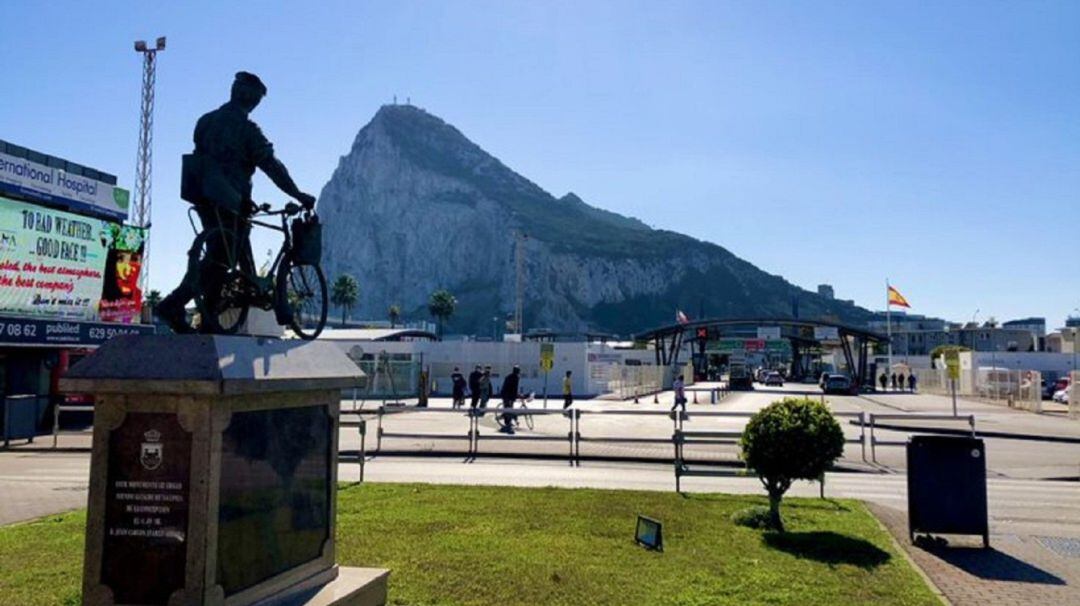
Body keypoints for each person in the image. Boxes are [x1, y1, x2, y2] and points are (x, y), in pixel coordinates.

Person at [157, 72, 317, 334]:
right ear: (253, 101)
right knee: (220, 259)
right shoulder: (248, 130)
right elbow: (272, 166)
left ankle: (207, 312)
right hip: (232, 200)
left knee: (220, 255)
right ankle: (177, 305)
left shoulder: (205, 121)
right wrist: (298, 194)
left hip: (204, 197)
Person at [499, 365, 522, 433]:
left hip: (505, 394)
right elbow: (514, 388)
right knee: (509, 408)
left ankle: (508, 422)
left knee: (508, 408)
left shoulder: (509, 376)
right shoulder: (516, 377)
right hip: (508, 395)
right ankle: (507, 423)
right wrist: (516, 396)